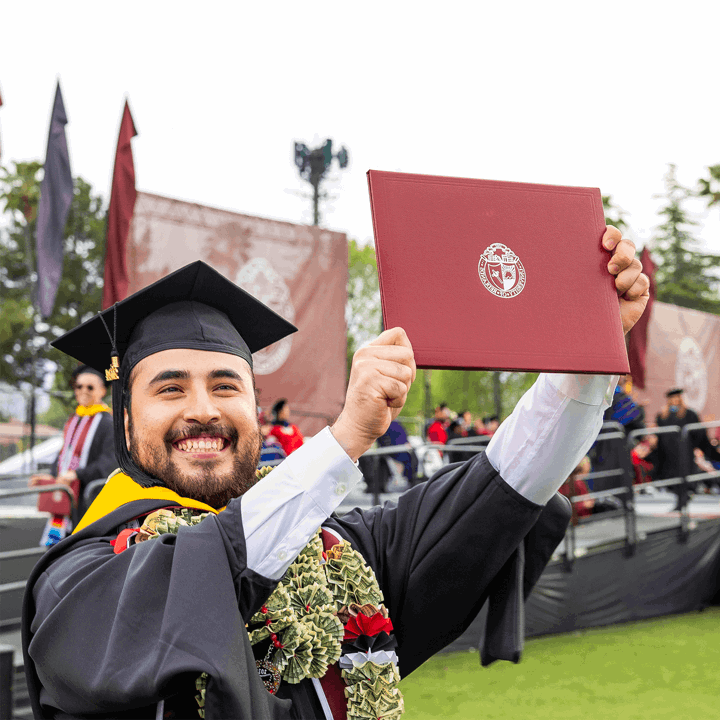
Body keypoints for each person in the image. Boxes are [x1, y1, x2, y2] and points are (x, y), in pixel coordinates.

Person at [22, 231, 648, 719]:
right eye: (169, 388)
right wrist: (345, 438)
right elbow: (200, 571)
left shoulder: (334, 559)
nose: (204, 409)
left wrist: (588, 353)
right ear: (126, 424)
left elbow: (500, 487)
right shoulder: (83, 583)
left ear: (255, 408)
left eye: (224, 386)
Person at [29, 364, 116, 546]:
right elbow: (64, 455)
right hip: (66, 498)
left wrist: (77, 474)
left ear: (102, 390)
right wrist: (52, 476)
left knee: (81, 549)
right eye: (79, 386)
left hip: (88, 500)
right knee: (58, 548)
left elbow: (109, 462)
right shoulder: (74, 420)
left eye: (90, 387)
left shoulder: (107, 423)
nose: (83, 391)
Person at [655, 388, 720, 510]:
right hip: (668, 454)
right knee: (671, 478)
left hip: (684, 452)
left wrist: (707, 450)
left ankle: (682, 501)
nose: (675, 400)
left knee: (683, 476)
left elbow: (698, 434)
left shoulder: (689, 414)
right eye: (672, 398)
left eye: (677, 398)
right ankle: (681, 500)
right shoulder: (662, 416)